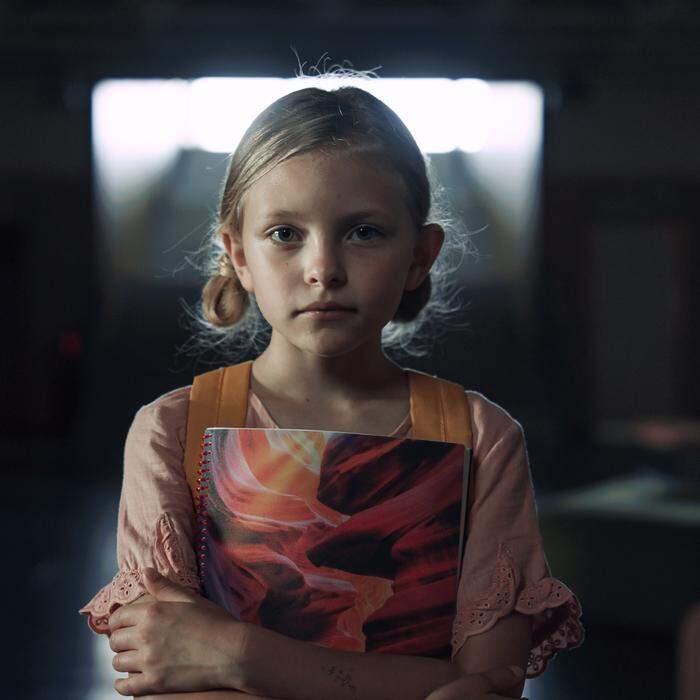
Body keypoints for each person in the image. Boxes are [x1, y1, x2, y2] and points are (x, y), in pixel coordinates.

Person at [79, 68, 584, 700]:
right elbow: (169, 668)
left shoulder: (481, 437)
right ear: (240, 255)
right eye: (285, 234)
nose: (323, 269)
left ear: (419, 256)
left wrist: (236, 652)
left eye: (364, 231)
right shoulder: (173, 430)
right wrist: (424, 683)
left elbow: (488, 685)